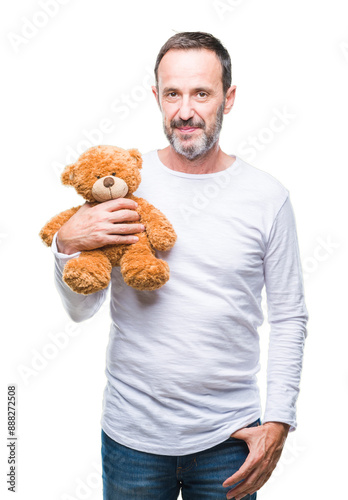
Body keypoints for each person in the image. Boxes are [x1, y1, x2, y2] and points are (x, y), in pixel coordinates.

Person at [51, 32, 309, 500]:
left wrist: (279, 421)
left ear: (228, 99)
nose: (185, 111)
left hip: (231, 441)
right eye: (172, 93)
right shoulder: (122, 185)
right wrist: (66, 246)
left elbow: (289, 316)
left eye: (201, 94)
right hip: (132, 438)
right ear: (156, 97)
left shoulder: (268, 197)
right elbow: (79, 310)